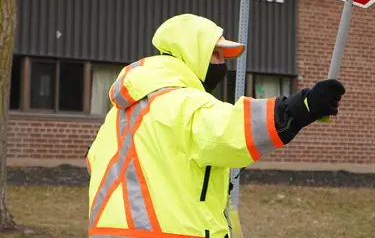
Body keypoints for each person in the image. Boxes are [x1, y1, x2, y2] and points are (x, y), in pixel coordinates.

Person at [86, 13, 345, 238]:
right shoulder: (182, 102)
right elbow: (231, 130)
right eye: (216, 54)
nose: (223, 64)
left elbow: (94, 161)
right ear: (191, 53)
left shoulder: (121, 112)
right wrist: (304, 106)